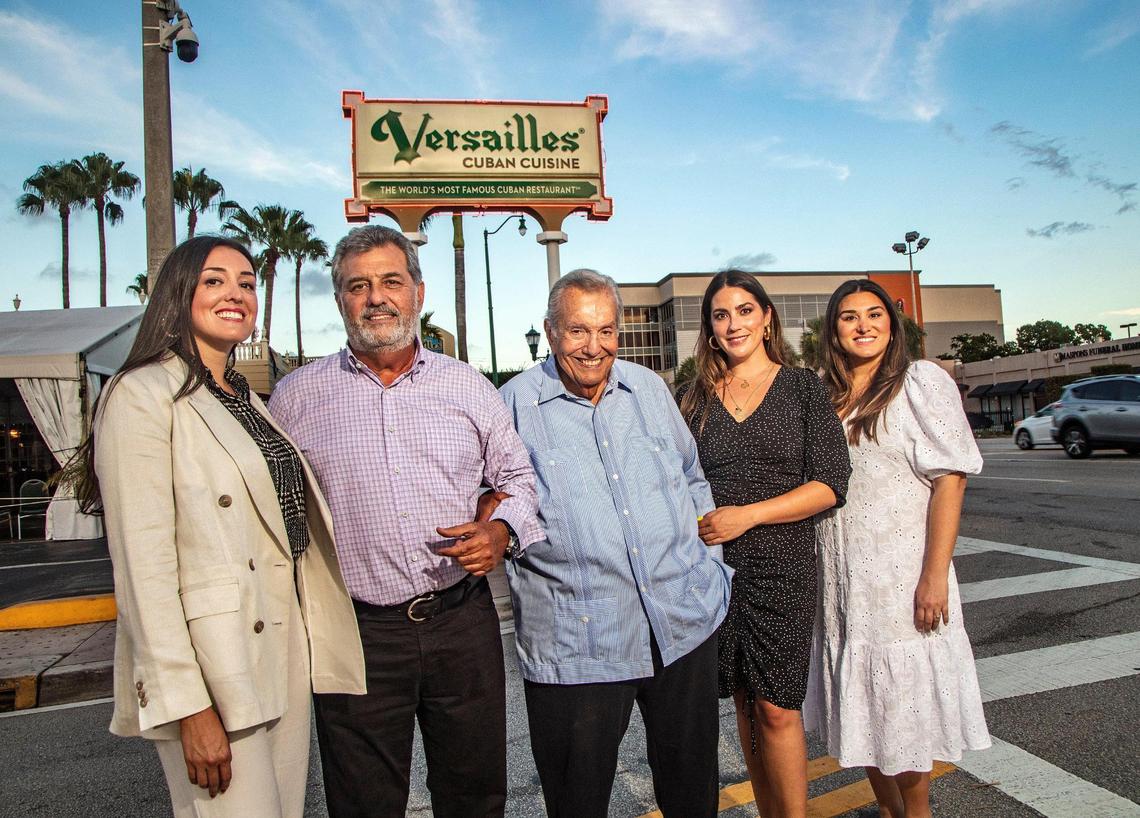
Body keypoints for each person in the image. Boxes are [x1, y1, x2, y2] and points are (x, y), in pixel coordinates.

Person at [77, 235, 366, 818]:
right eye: (214, 280)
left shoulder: (247, 398)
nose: (235, 294)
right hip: (216, 660)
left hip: (280, 643)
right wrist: (188, 704)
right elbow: (144, 569)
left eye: (247, 283)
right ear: (179, 293)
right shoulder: (141, 393)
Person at [267, 225, 542, 818]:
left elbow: (520, 481)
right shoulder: (294, 399)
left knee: (474, 796)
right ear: (339, 298)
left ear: (418, 292)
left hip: (460, 623)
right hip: (356, 633)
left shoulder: (468, 387)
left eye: (392, 281)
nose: (376, 298)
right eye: (357, 285)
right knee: (363, 803)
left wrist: (500, 533)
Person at [496, 268, 733, 818]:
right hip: (579, 640)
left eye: (606, 330)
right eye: (578, 330)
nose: (593, 346)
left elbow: (692, 476)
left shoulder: (648, 388)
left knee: (693, 791)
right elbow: (493, 506)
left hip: (679, 623)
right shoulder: (511, 405)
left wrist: (706, 564)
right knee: (578, 799)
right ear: (549, 331)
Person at [805, 279, 990, 818]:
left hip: (900, 574)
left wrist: (934, 575)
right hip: (841, 580)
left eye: (874, 314)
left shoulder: (919, 382)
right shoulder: (822, 391)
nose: (863, 325)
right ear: (832, 330)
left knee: (902, 712)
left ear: (892, 323)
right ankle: (888, 812)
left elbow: (951, 480)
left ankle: (917, 814)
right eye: (848, 316)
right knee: (864, 713)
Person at [678, 269, 850, 818]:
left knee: (777, 707)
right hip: (715, 571)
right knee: (746, 707)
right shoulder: (692, 399)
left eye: (745, 310)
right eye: (721, 314)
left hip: (783, 565)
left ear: (767, 316)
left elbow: (830, 483)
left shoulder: (802, 387)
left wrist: (747, 517)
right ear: (708, 327)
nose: (734, 324)